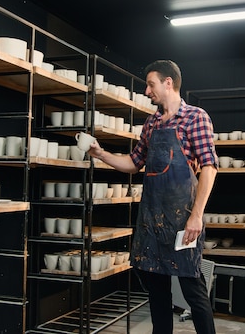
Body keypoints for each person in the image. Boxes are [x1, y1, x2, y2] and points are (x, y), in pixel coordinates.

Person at [88, 60, 218, 334]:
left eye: (151, 84)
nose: (147, 91)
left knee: (193, 291)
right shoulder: (151, 123)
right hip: (152, 220)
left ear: (168, 82)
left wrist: (196, 217)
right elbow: (134, 163)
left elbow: (209, 167)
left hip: (183, 220)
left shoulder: (196, 117)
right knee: (157, 294)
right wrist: (101, 155)